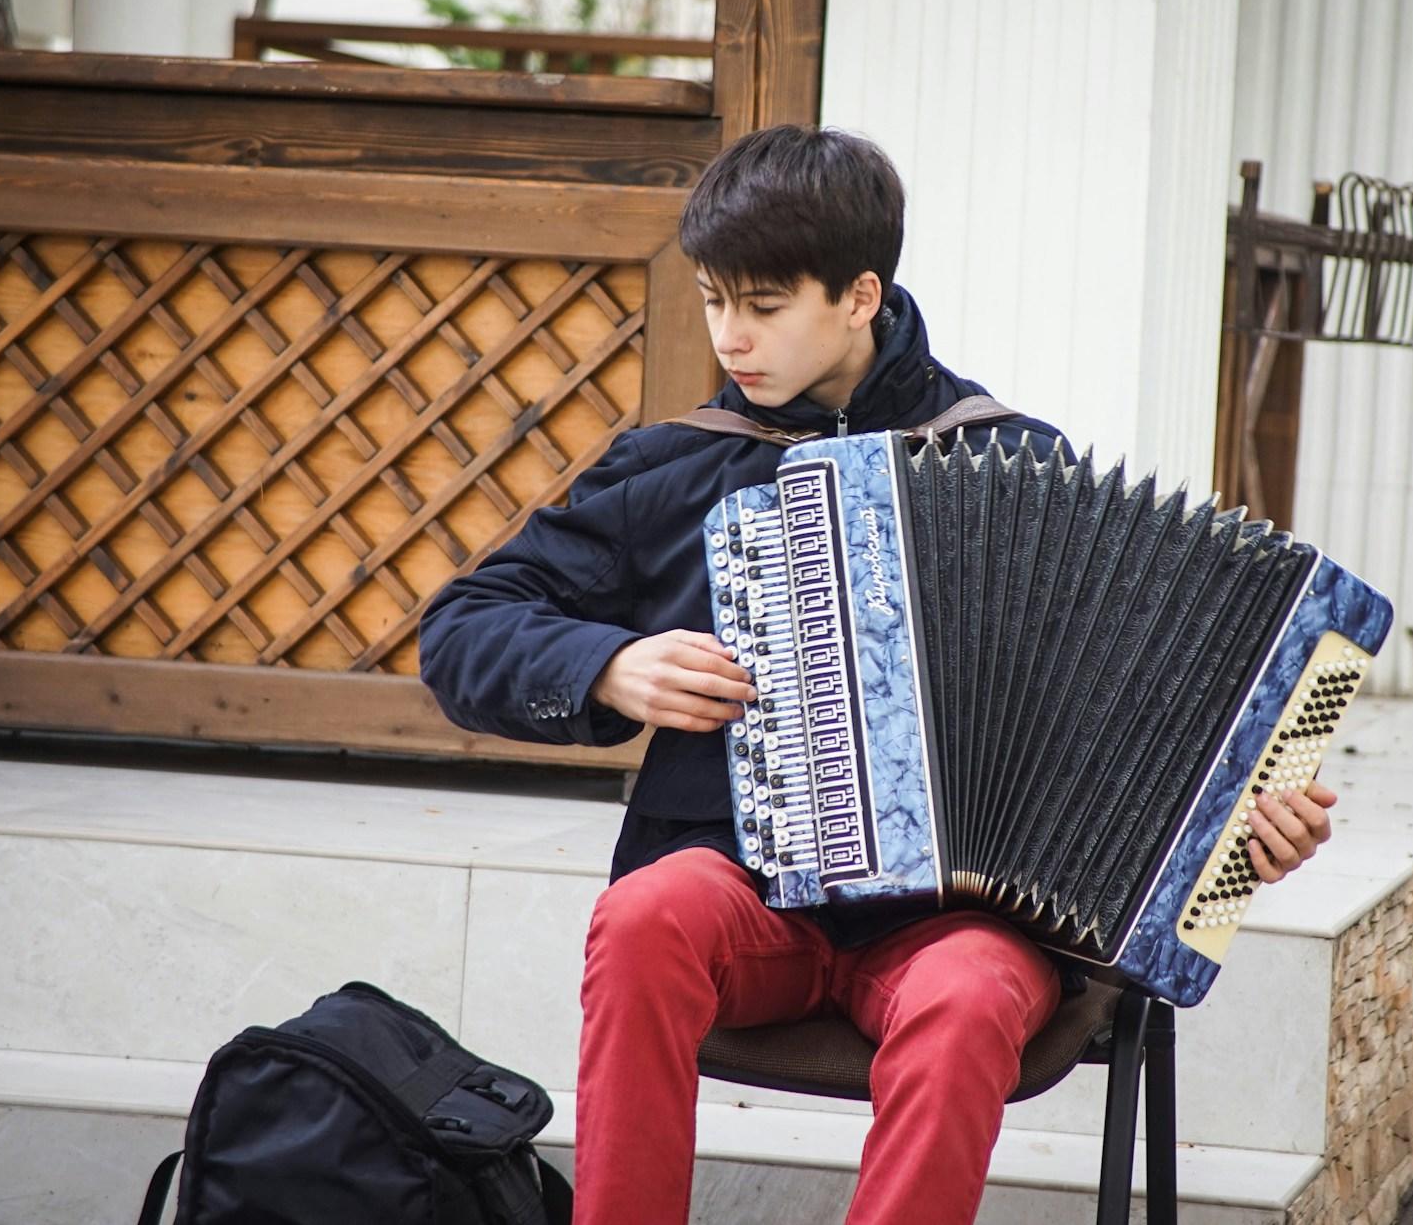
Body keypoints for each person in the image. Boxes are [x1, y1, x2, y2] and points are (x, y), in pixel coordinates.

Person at [418, 124, 1337, 1225]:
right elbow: (461, 630)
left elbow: (1149, 719)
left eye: (764, 306)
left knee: (968, 995)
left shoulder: (1010, 464)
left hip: (952, 927)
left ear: (860, 296)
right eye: (713, 301)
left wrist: (1244, 827)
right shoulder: (674, 469)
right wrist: (608, 665)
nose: (730, 337)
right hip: (745, 894)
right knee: (642, 918)